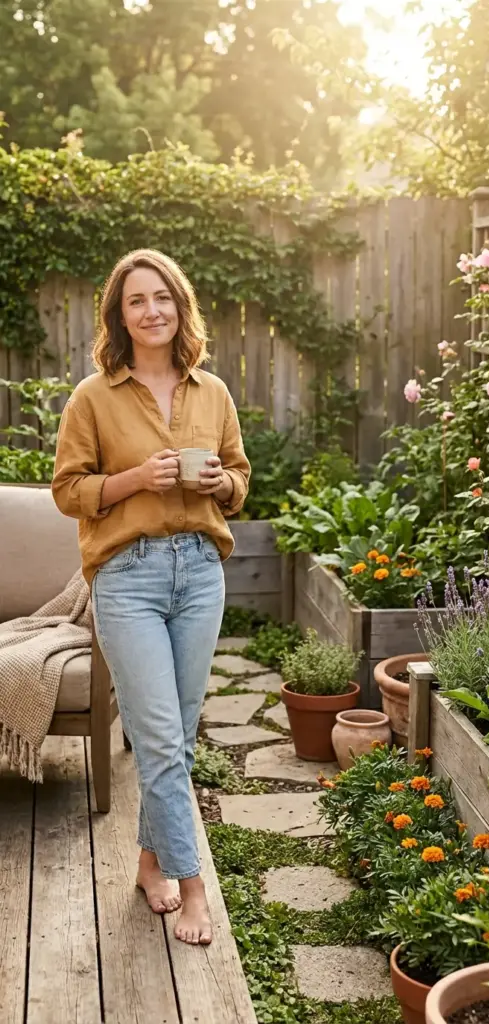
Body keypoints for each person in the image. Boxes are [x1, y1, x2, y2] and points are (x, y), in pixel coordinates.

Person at [52, 248, 250, 945]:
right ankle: (195, 889)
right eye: (137, 300)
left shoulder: (214, 392)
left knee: (177, 736)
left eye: (163, 296)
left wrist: (219, 487)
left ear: (180, 305)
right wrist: (136, 479)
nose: (152, 310)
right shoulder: (93, 398)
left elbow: (239, 478)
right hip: (128, 579)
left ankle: (148, 863)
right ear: (120, 314)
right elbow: (68, 490)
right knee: (162, 739)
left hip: (200, 572)